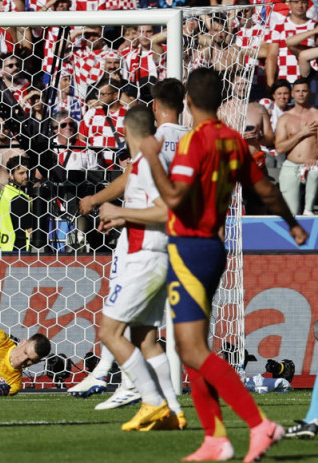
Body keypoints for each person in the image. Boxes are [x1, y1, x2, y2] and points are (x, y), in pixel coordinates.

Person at [141, 67, 307, 462]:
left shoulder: (194, 142)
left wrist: (152, 158)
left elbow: (177, 198)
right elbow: (264, 186)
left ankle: (258, 425)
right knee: (193, 345)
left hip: (190, 248)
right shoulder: (233, 140)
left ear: (189, 102)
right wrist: (293, 224)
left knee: (193, 349)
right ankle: (215, 438)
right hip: (213, 247)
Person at [73, 78, 188, 410]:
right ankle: (168, 406)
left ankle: (136, 389)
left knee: (112, 330)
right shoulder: (192, 141)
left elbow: (153, 193)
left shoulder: (153, 150)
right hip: (178, 243)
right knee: (144, 336)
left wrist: (106, 204)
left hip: (144, 249)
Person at [95, 105, 185, 431]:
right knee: (144, 338)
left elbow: (166, 211)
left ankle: (152, 400)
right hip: (152, 256)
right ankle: (174, 409)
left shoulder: (148, 164)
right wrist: (121, 216)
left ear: (124, 131)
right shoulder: (145, 163)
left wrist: (119, 211)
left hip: (145, 258)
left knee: (109, 332)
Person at [274, 78, 318, 215]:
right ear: (292, 94)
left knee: (315, 171)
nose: (301, 94)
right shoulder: (285, 118)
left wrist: (315, 157)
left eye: (304, 91)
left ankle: (308, 209)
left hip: (312, 164)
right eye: (297, 91)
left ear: (309, 93)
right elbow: (280, 148)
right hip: (291, 164)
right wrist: (301, 133)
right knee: (291, 212)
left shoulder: (316, 115)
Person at [0, 156, 32, 251]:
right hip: (16, 250)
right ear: (11, 175)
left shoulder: (3, 193)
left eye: (27, 172)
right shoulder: (19, 199)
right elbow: (30, 231)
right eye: (21, 173)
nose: (26, 176)